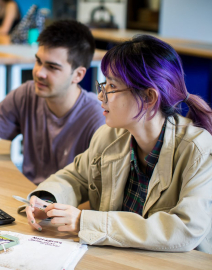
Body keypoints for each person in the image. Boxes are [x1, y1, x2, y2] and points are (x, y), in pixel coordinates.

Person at [25, 35, 212, 253]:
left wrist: (84, 222)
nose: (100, 96)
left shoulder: (199, 150)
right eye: (104, 84)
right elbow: (76, 177)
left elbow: (185, 230)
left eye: (112, 86)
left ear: (149, 97)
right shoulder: (109, 135)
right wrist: (47, 201)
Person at [0, 20, 105, 188]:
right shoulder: (26, 95)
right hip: (27, 196)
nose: (39, 72)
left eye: (52, 67)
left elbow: (100, 196)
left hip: (66, 210)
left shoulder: (97, 118)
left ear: (78, 75)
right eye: (38, 61)